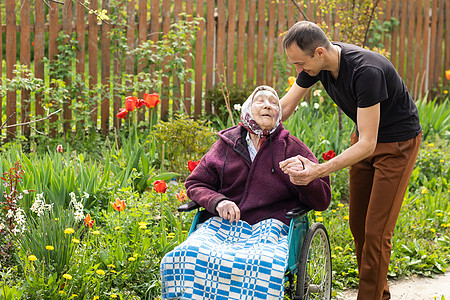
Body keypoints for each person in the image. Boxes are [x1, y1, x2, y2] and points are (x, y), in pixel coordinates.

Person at [278, 21, 422, 300]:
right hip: (365, 141)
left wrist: (319, 170)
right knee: (358, 224)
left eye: (299, 63)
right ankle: (378, 293)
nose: (298, 71)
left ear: (319, 52)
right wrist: (251, 126)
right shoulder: (317, 65)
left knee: (376, 233)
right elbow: (286, 106)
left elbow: (369, 143)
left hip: (396, 146)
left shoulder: (366, 72)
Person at [160, 85, 331, 299]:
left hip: (272, 227)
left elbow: (322, 198)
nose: (268, 105)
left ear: (279, 114)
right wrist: (218, 202)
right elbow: (196, 183)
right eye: (261, 100)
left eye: (274, 102)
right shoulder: (226, 144)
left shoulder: (291, 148)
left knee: (264, 265)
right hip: (224, 224)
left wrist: (303, 179)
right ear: (248, 109)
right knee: (184, 256)